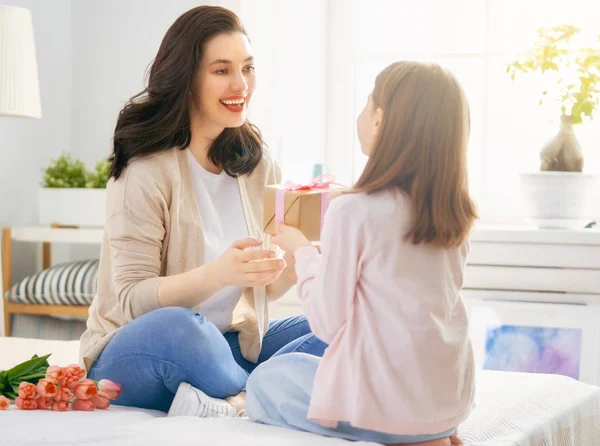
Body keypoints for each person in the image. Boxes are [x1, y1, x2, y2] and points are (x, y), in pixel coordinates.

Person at [78, 5, 326, 416]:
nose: (240, 84)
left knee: (341, 327)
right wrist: (218, 275)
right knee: (182, 328)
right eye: (222, 70)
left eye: (247, 68)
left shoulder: (258, 164)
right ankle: (269, 395)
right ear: (186, 79)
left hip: (232, 345)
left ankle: (237, 396)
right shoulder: (145, 169)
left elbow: (262, 292)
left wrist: (296, 266)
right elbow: (131, 300)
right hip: (139, 349)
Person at [245, 61, 478, 445]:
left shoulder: (354, 208)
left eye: (368, 102)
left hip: (390, 413)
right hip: (446, 406)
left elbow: (326, 322)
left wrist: (303, 252)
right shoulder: (453, 210)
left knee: (267, 380)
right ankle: (430, 431)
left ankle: (405, 432)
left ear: (380, 120)